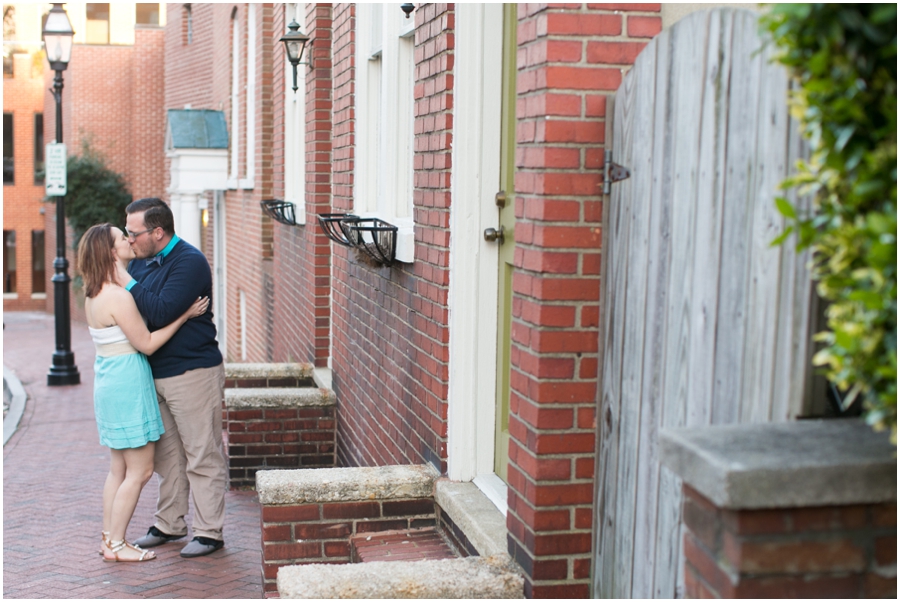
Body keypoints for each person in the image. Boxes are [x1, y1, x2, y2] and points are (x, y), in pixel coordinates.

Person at [77, 224, 209, 563]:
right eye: (122, 238)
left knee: (118, 470)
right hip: (127, 384)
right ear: (110, 252)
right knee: (140, 471)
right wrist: (184, 315)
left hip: (108, 381)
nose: (128, 240)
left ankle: (109, 540)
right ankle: (117, 545)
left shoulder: (93, 293)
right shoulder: (118, 296)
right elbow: (147, 343)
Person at [114, 197, 227, 558]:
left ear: (157, 231)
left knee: (202, 453)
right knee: (168, 456)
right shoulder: (145, 264)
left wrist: (127, 281)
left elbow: (159, 312)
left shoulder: (189, 262)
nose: (130, 240)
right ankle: (169, 524)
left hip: (192, 372)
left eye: (134, 233)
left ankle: (209, 532)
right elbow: (139, 314)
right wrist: (133, 286)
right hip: (156, 374)